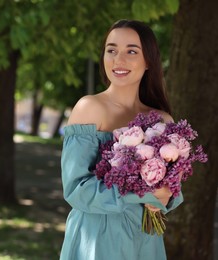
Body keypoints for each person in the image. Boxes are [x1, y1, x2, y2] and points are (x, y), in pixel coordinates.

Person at [59, 19, 184, 260]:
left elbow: (171, 189)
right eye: (112, 50)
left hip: (146, 237)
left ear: (148, 61)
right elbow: (76, 190)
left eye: (131, 51)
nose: (119, 60)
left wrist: (165, 193)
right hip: (97, 236)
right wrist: (139, 191)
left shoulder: (162, 120)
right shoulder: (89, 108)